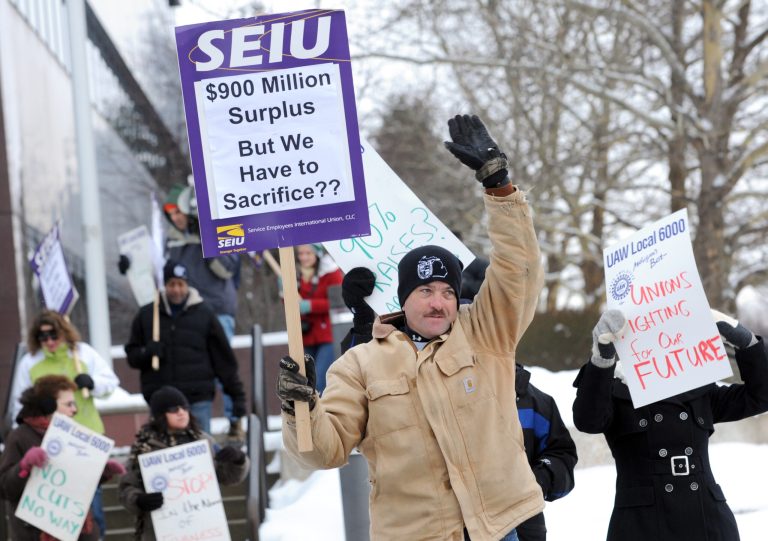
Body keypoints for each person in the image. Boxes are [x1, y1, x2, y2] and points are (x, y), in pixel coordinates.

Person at [278, 114, 545, 541]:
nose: (438, 302)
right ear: (403, 298)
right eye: (424, 291)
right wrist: (300, 408)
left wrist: (498, 185)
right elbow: (323, 451)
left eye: (446, 291)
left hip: (504, 525)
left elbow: (520, 268)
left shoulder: (487, 333)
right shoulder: (360, 364)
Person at [339, 267, 577, 541]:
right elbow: (372, 386)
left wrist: (533, 480)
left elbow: (562, 455)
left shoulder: (530, 399)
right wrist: (363, 320)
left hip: (517, 527)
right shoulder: (412, 383)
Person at [572, 309, 768, 541]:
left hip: (707, 520)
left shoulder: (696, 386)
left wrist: (746, 342)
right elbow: (588, 421)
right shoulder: (612, 386)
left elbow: (760, 397)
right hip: (641, 524)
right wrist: (602, 358)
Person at [119, 184, 243, 439]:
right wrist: (130, 267)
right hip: (175, 315)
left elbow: (227, 269)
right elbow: (156, 270)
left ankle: (234, 420)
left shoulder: (219, 228)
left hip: (213, 308)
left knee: (220, 365)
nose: (176, 218)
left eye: (180, 212)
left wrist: (206, 237)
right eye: (171, 213)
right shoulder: (170, 240)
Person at [10, 310, 120, 537]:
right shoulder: (30, 363)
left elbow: (111, 382)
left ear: (64, 332)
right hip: (49, 441)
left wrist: (93, 382)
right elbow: (18, 403)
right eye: (43, 337)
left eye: (54, 335)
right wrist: (21, 434)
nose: (49, 342)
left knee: (92, 507)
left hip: (85, 437)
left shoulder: (83, 354)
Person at [124, 260, 247, 433]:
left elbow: (224, 361)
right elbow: (132, 355)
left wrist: (237, 397)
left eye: (181, 284)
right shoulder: (148, 315)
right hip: (161, 404)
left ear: (187, 284)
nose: (176, 289)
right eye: (172, 284)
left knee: (201, 452)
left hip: (197, 401)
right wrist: (147, 352)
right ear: (165, 285)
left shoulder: (204, 313)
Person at [0, 375, 125, 540]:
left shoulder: (75, 438)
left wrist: (102, 473)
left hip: (76, 532)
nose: (74, 409)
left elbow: (75, 485)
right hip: (34, 533)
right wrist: (24, 466)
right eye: (68, 404)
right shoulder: (20, 436)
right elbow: (5, 488)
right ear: (48, 405)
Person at [118, 386, 249, 540]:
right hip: (162, 531)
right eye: (173, 409)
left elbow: (228, 477)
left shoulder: (203, 440)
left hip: (203, 528)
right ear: (160, 415)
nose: (181, 412)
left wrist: (238, 460)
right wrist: (139, 500)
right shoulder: (144, 447)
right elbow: (126, 488)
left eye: (184, 407)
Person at [294, 243, 343, 394]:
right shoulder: (296, 275)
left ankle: (322, 415)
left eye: (308, 253)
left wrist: (311, 306)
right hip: (307, 335)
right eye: (301, 254)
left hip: (328, 335)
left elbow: (338, 301)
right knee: (307, 381)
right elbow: (293, 305)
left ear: (317, 254)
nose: (304, 257)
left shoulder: (331, 273)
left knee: (319, 382)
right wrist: (285, 294)